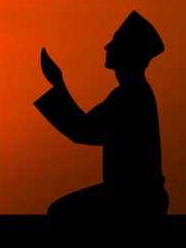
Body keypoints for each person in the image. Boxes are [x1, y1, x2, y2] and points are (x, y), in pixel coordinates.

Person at [35, 11, 168, 216]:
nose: (107, 47)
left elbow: (83, 131)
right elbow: (85, 128)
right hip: (138, 195)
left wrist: (58, 84)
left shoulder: (129, 96)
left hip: (134, 197)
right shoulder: (133, 92)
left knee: (59, 212)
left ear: (128, 52)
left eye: (115, 42)